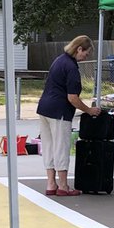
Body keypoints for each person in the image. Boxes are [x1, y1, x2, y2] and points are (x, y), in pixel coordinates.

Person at [35, 35, 100, 196]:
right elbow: (72, 98)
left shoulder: (58, 60)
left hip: (44, 108)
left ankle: (51, 184)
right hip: (59, 111)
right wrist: (89, 110)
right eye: (87, 53)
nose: (87, 56)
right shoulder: (71, 67)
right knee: (61, 147)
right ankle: (63, 186)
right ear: (79, 49)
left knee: (48, 147)